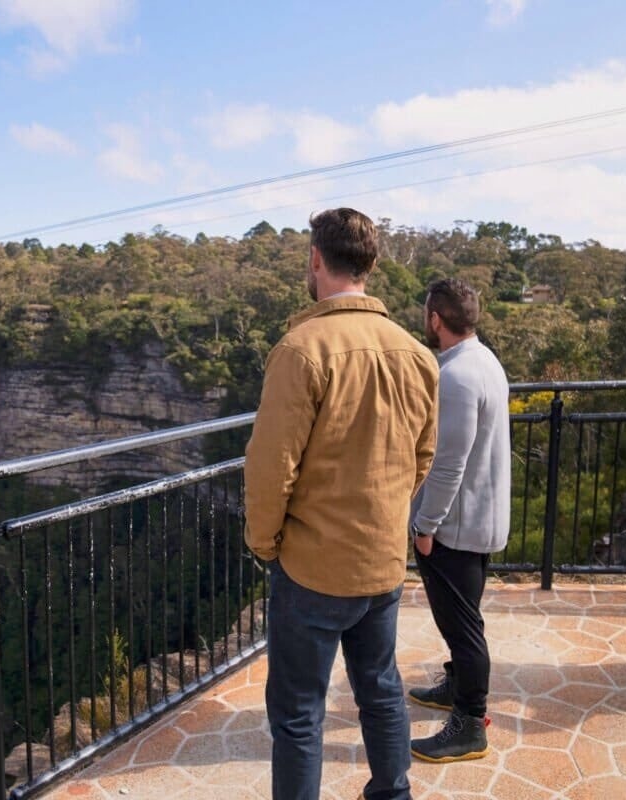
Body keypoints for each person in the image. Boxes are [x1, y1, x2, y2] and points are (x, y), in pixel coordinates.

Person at [244, 207, 439, 800]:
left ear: (316, 260)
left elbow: (271, 467)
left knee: (299, 713)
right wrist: (386, 517)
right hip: (382, 564)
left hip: (313, 569)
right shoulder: (416, 354)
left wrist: (266, 543)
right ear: (371, 264)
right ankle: (393, 793)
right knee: (380, 689)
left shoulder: (301, 351)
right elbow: (423, 455)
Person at [407, 277, 511, 763]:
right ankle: (456, 687)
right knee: (462, 618)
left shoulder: (456, 376)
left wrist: (426, 524)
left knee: (464, 627)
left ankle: (470, 724)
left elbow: (448, 463)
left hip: (455, 527)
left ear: (435, 318)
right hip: (477, 518)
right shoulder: (485, 361)